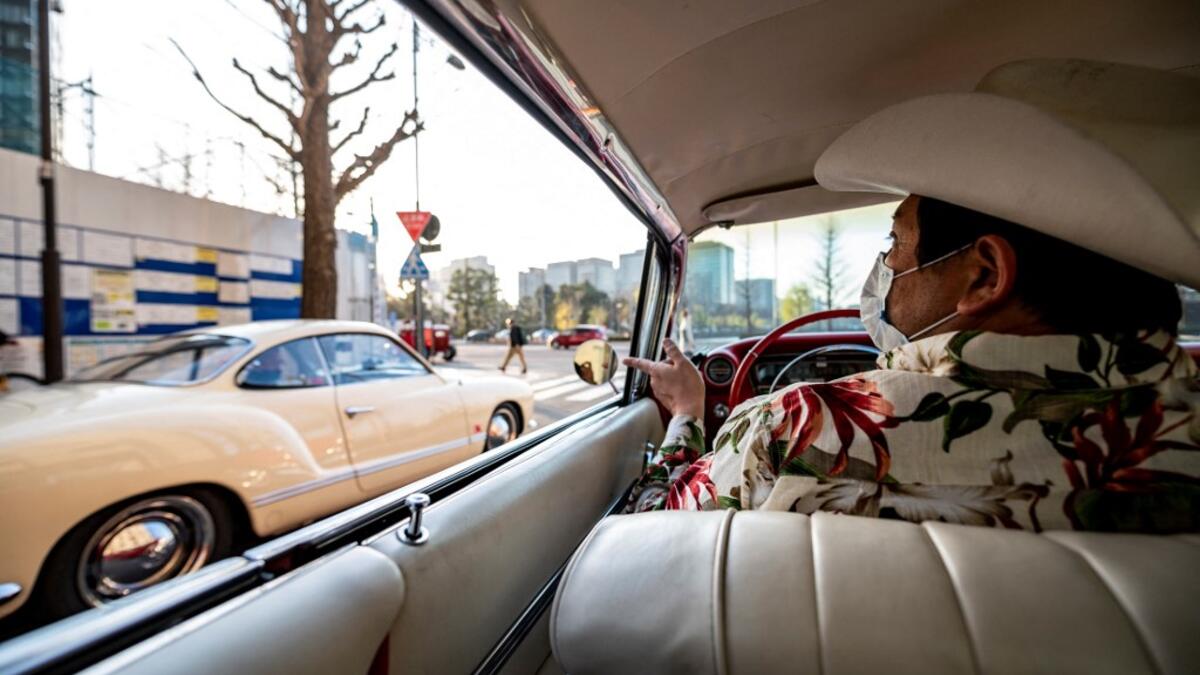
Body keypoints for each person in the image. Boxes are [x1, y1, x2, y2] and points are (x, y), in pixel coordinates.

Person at [622, 59, 1200, 533]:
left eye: (896, 240)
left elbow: (650, 531)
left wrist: (689, 417)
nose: (886, 265)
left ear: (984, 276)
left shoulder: (798, 426)